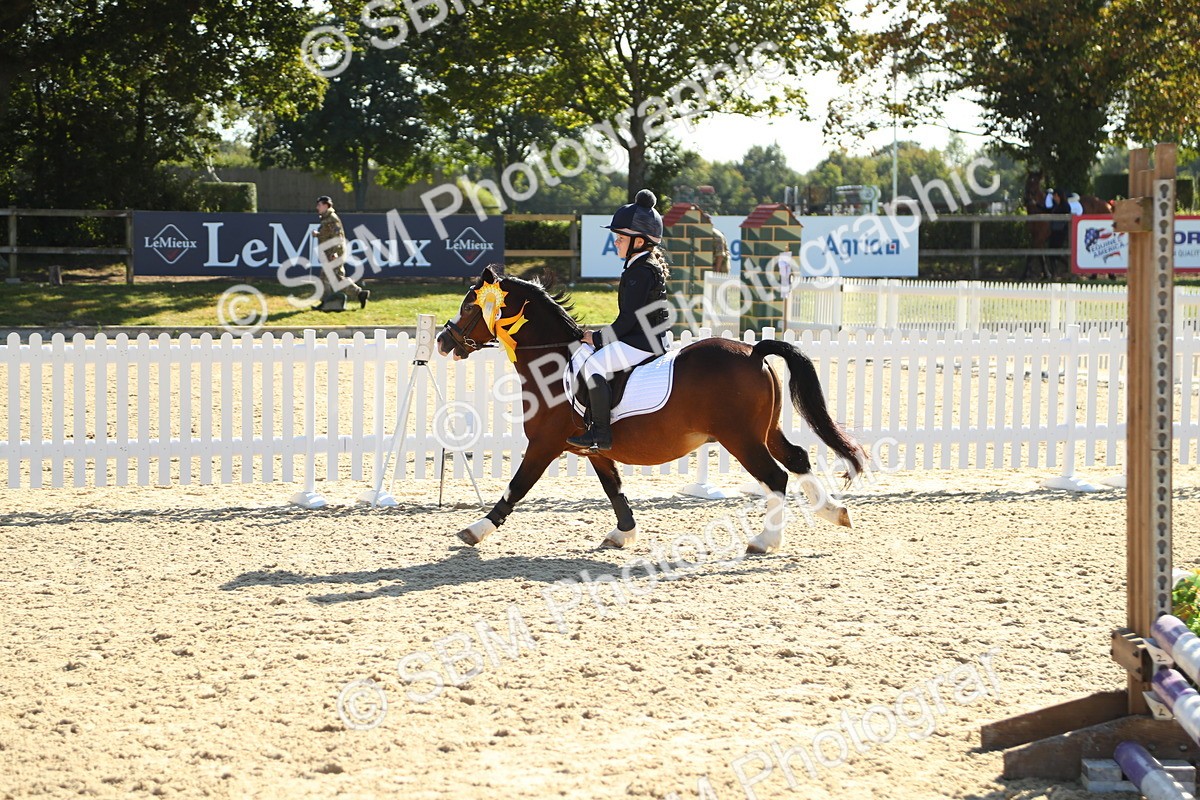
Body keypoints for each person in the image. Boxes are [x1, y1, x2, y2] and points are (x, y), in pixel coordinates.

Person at [567, 189, 670, 451]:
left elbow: (626, 321)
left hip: (641, 342)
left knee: (593, 367)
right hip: (646, 336)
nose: (616, 242)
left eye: (620, 238)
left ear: (638, 241)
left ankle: (600, 433)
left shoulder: (639, 272)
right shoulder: (642, 266)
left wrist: (598, 338)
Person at [313, 196, 369, 310]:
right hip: (330, 253)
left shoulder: (332, 219)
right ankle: (325, 303)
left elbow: (338, 237)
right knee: (325, 277)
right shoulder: (326, 218)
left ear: (326, 205)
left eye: (319, 205)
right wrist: (318, 234)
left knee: (337, 279)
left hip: (334, 253)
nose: (317, 207)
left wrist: (335, 253)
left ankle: (359, 293)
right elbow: (328, 235)